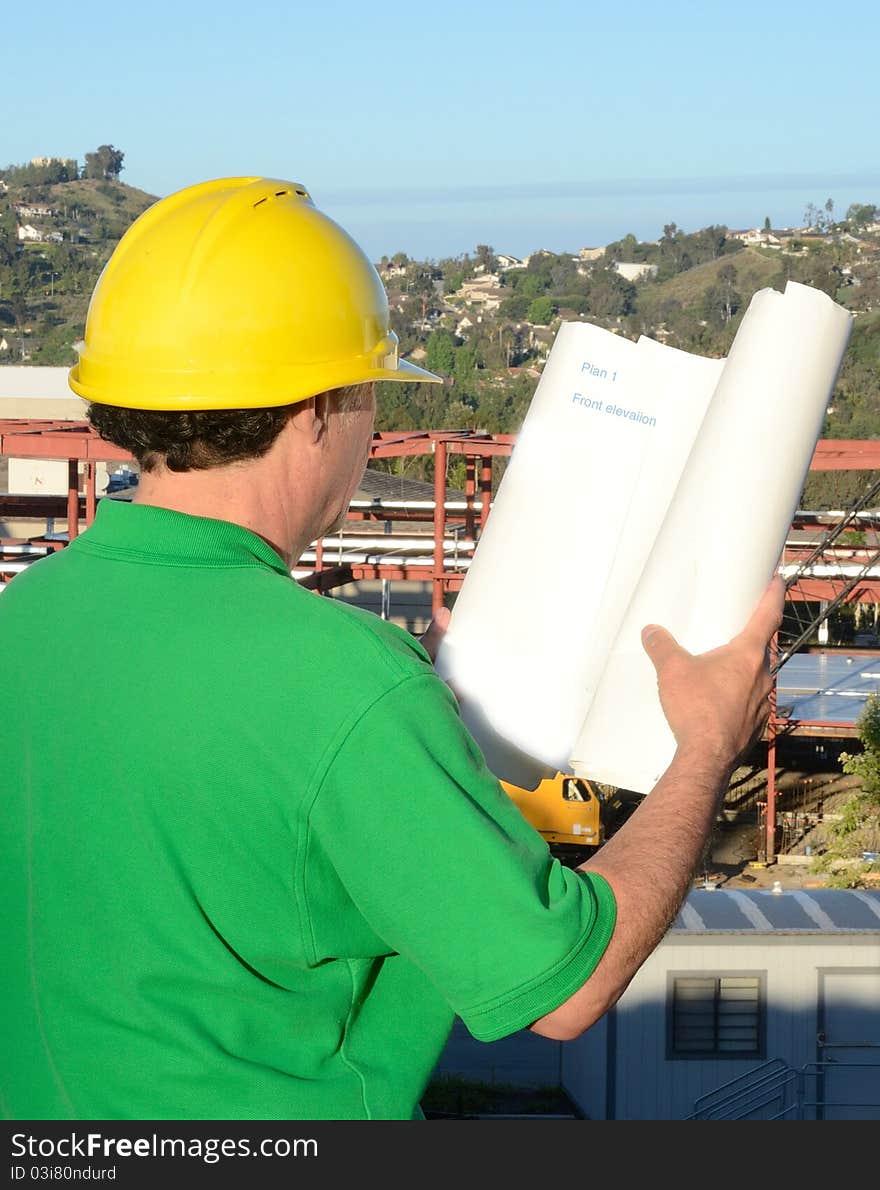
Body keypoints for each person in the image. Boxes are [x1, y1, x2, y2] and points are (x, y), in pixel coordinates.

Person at [0, 177, 783, 1121]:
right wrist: (706, 744)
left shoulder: (27, 616)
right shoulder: (346, 683)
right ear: (322, 408)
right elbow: (568, 991)